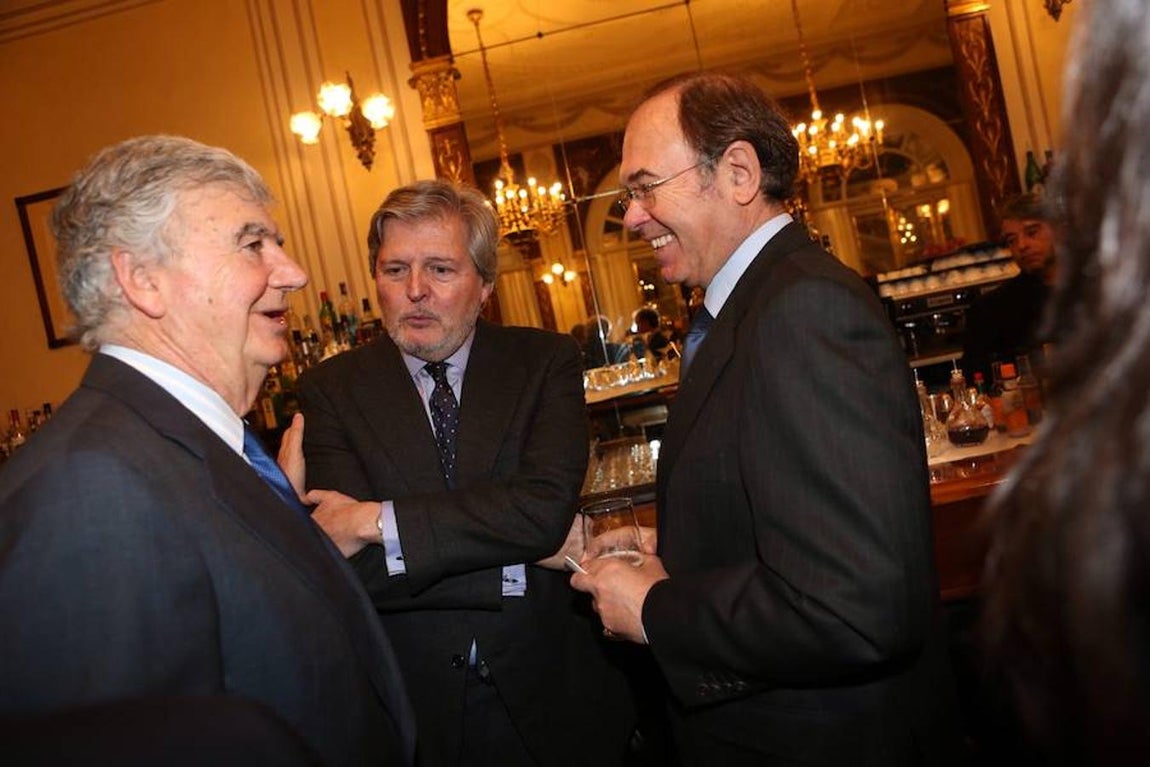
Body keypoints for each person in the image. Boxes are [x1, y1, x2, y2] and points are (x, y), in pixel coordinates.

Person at [570, 72, 965, 765]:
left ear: (739, 172)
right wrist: (672, 545)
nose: (631, 217)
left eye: (644, 187)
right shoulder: (754, 305)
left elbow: (855, 606)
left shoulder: (803, 312)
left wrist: (657, 610)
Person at [0, 135, 415, 767]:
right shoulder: (89, 493)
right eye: (253, 244)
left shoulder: (210, 452)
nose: (293, 271)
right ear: (143, 281)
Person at [292, 180, 634, 766]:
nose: (415, 291)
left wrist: (376, 520)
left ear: (485, 287)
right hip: (419, 712)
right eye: (394, 269)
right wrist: (517, 560)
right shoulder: (330, 391)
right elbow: (354, 570)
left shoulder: (543, 361)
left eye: (441, 270)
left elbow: (542, 512)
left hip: (557, 697)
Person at [981, 1, 1150, 762]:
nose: (1019, 245)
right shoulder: (999, 311)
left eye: (1029, 230)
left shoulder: (1104, 295)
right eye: (1009, 237)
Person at [960, 193, 1056, 383]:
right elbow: (978, 384)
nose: (1021, 245)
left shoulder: (1100, 287)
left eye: (1031, 232)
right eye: (1012, 240)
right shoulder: (992, 310)